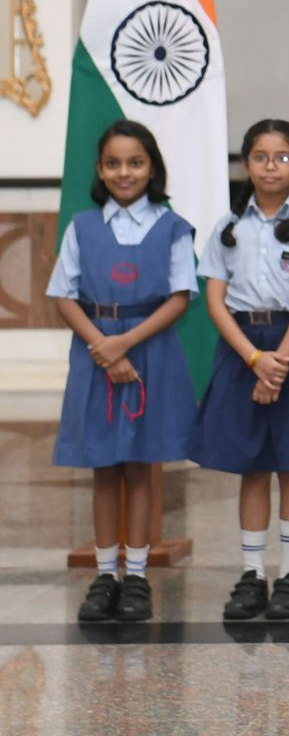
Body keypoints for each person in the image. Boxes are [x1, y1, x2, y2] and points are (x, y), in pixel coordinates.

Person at [49, 120, 197, 623]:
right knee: (104, 465)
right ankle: (104, 576)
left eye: (135, 162)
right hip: (96, 352)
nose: (124, 172)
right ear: (99, 169)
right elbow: (64, 296)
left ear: (151, 167)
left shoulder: (172, 227)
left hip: (148, 352)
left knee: (139, 465)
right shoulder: (82, 227)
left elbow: (180, 297)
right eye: (113, 163)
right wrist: (103, 347)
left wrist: (124, 345)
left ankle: (136, 576)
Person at [191, 120, 289, 621]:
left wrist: (280, 362)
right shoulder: (228, 226)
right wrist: (256, 360)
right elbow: (215, 300)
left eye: (282, 157)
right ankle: (253, 574)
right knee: (252, 463)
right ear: (246, 164)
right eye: (260, 156)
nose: (270, 166)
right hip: (242, 348)